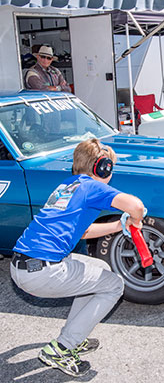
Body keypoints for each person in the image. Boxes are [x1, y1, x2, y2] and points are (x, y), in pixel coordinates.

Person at [10, 138, 145, 377]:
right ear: (103, 167)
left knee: (100, 269)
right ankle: (62, 348)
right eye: (109, 167)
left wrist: (118, 225)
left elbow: (81, 232)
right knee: (114, 285)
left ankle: (73, 336)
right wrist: (135, 219)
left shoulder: (68, 186)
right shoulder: (93, 186)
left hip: (24, 265)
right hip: (43, 271)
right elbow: (136, 205)